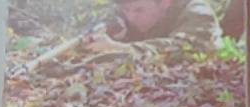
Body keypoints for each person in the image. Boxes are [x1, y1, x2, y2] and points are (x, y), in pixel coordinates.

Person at [85, 0, 223, 57]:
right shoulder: (128, 18)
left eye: (139, 10)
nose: (131, 17)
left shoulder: (198, 12)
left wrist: (119, 48)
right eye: (126, 10)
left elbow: (183, 49)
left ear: (164, 3)